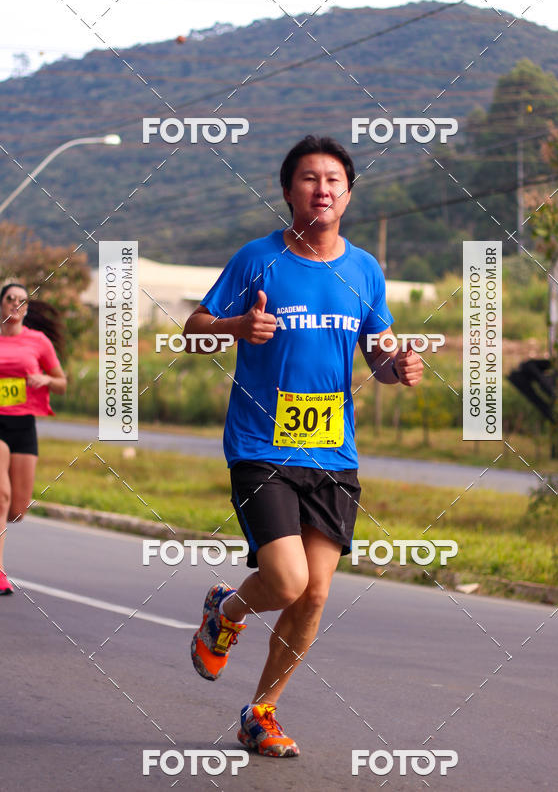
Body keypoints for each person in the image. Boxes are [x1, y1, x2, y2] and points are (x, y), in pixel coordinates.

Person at [183, 135, 423, 757]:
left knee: (315, 594)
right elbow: (194, 330)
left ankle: (260, 712)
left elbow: (380, 349)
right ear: (288, 190)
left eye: (334, 180)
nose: (323, 189)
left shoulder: (364, 268)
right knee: (286, 581)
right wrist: (235, 325)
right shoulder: (256, 259)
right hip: (261, 444)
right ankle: (228, 613)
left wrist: (400, 365)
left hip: (332, 454)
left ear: (348, 193)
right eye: (309, 179)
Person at [0, 283, 67, 594]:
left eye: (21, 300)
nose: (15, 304)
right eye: (10, 299)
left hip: (24, 425)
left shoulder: (38, 342)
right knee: (1, 497)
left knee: (16, 509)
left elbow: (61, 383)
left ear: (26, 308)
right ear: (1, 305)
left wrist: (45, 379)